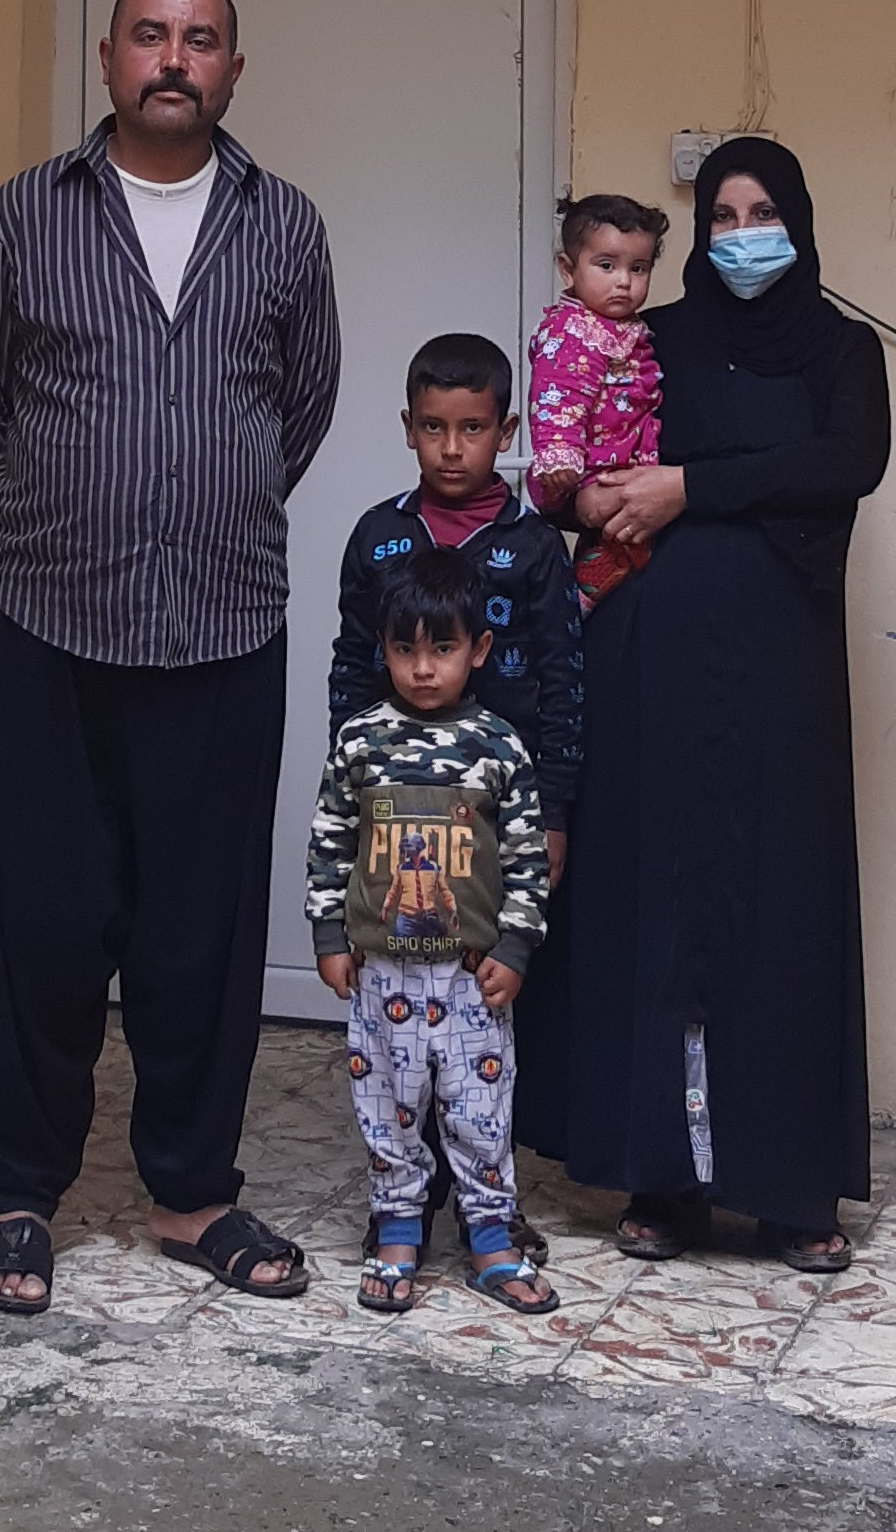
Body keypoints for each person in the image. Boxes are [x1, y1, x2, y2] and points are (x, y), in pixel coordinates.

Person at [0, 0, 340, 1315]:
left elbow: (301, 405)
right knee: (34, 919)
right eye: (151, 34)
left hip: (224, 628)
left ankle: (190, 1192)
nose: (175, 58)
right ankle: (13, 1196)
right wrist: (73, 506)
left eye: (202, 39)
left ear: (234, 68)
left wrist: (195, 510)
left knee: (197, 930)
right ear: (106, 57)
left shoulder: (283, 226)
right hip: (49, 620)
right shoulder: (18, 219)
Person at [513, 136, 890, 1271]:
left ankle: (788, 1187)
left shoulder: (840, 347)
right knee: (660, 905)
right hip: (653, 657)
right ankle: (662, 1179)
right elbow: (580, 446)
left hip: (781, 667)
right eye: (719, 215)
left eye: (760, 210)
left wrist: (691, 486)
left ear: (800, 217)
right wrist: (592, 492)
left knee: (781, 901)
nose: (739, 236)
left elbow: (848, 459)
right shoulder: (656, 337)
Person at [328, 332, 583, 1263]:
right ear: (407, 428)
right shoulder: (379, 537)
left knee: (487, 1010)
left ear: (505, 430)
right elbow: (352, 666)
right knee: (400, 1010)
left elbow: (564, 681)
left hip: (496, 819)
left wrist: (552, 810)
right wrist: (352, 796)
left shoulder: (531, 545)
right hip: (396, 819)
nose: (450, 447)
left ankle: (489, 1199)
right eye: (432, 427)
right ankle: (404, 1194)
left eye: (472, 429)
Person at [308, 548, 559, 1318]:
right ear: (383, 648)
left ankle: (488, 1234)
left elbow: (525, 859)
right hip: (382, 974)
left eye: (442, 648)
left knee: (481, 1112)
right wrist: (328, 936)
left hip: (468, 978)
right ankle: (397, 1229)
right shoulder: (360, 742)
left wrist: (515, 948)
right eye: (405, 649)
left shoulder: (498, 748)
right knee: (387, 1107)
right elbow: (329, 842)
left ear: (477, 650)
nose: (422, 669)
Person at [525, 194, 669, 613]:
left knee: (634, 536)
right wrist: (559, 457)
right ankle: (576, 602)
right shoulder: (572, 332)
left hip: (625, 461)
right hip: (585, 470)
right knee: (612, 518)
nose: (623, 280)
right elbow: (558, 395)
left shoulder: (623, 328)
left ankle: (595, 584)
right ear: (568, 269)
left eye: (637, 268)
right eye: (607, 266)